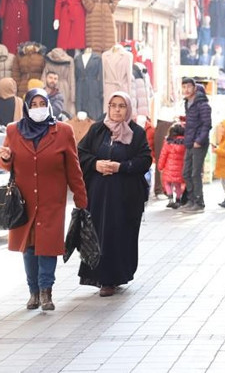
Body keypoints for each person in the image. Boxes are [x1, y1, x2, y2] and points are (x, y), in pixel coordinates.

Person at [0, 89, 87, 311]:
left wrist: (81, 198)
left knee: (47, 247)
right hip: (24, 200)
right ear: (27, 107)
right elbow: (5, 163)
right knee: (28, 247)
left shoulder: (63, 131)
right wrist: (5, 159)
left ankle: (46, 292)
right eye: (34, 104)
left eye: (42, 103)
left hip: (51, 200)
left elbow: (73, 169)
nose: (38, 108)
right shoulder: (14, 130)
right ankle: (33, 292)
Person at [77, 91, 152, 297]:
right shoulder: (97, 129)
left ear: (128, 109)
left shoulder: (136, 132)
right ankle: (103, 279)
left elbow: (145, 160)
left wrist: (121, 167)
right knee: (100, 234)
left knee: (119, 235)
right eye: (113, 105)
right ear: (108, 108)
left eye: (121, 106)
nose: (117, 110)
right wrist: (96, 164)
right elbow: (81, 153)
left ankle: (115, 277)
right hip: (99, 196)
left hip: (125, 197)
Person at [180, 78, 212, 211]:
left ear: (194, 88)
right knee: (186, 173)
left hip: (199, 144)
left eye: (188, 87)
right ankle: (191, 200)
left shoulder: (203, 105)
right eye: (184, 87)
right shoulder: (187, 103)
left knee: (195, 173)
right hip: (189, 142)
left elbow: (207, 125)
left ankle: (199, 203)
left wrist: (199, 141)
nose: (186, 90)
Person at [158, 123, 186, 209]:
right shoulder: (185, 144)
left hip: (168, 168)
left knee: (167, 183)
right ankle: (178, 200)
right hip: (180, 168)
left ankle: (170, 200)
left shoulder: (168, 143)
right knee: (178, 184)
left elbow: (163, 155)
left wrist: (160, 166)